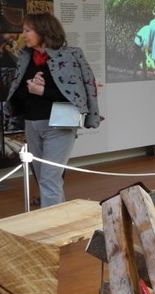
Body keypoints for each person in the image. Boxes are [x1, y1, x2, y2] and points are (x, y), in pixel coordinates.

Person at [7, 12, 100, 208]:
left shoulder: (70, 55)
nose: (23, 35)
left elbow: (77, 95)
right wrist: (29, 87)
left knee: (49, 181)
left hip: (59, 125)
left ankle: (49, 234)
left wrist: (42, 91)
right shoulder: (25, 57)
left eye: (27, 30)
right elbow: (16, 97)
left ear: (43, 31)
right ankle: (60, 221)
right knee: (46, 181)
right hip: (32, 124)